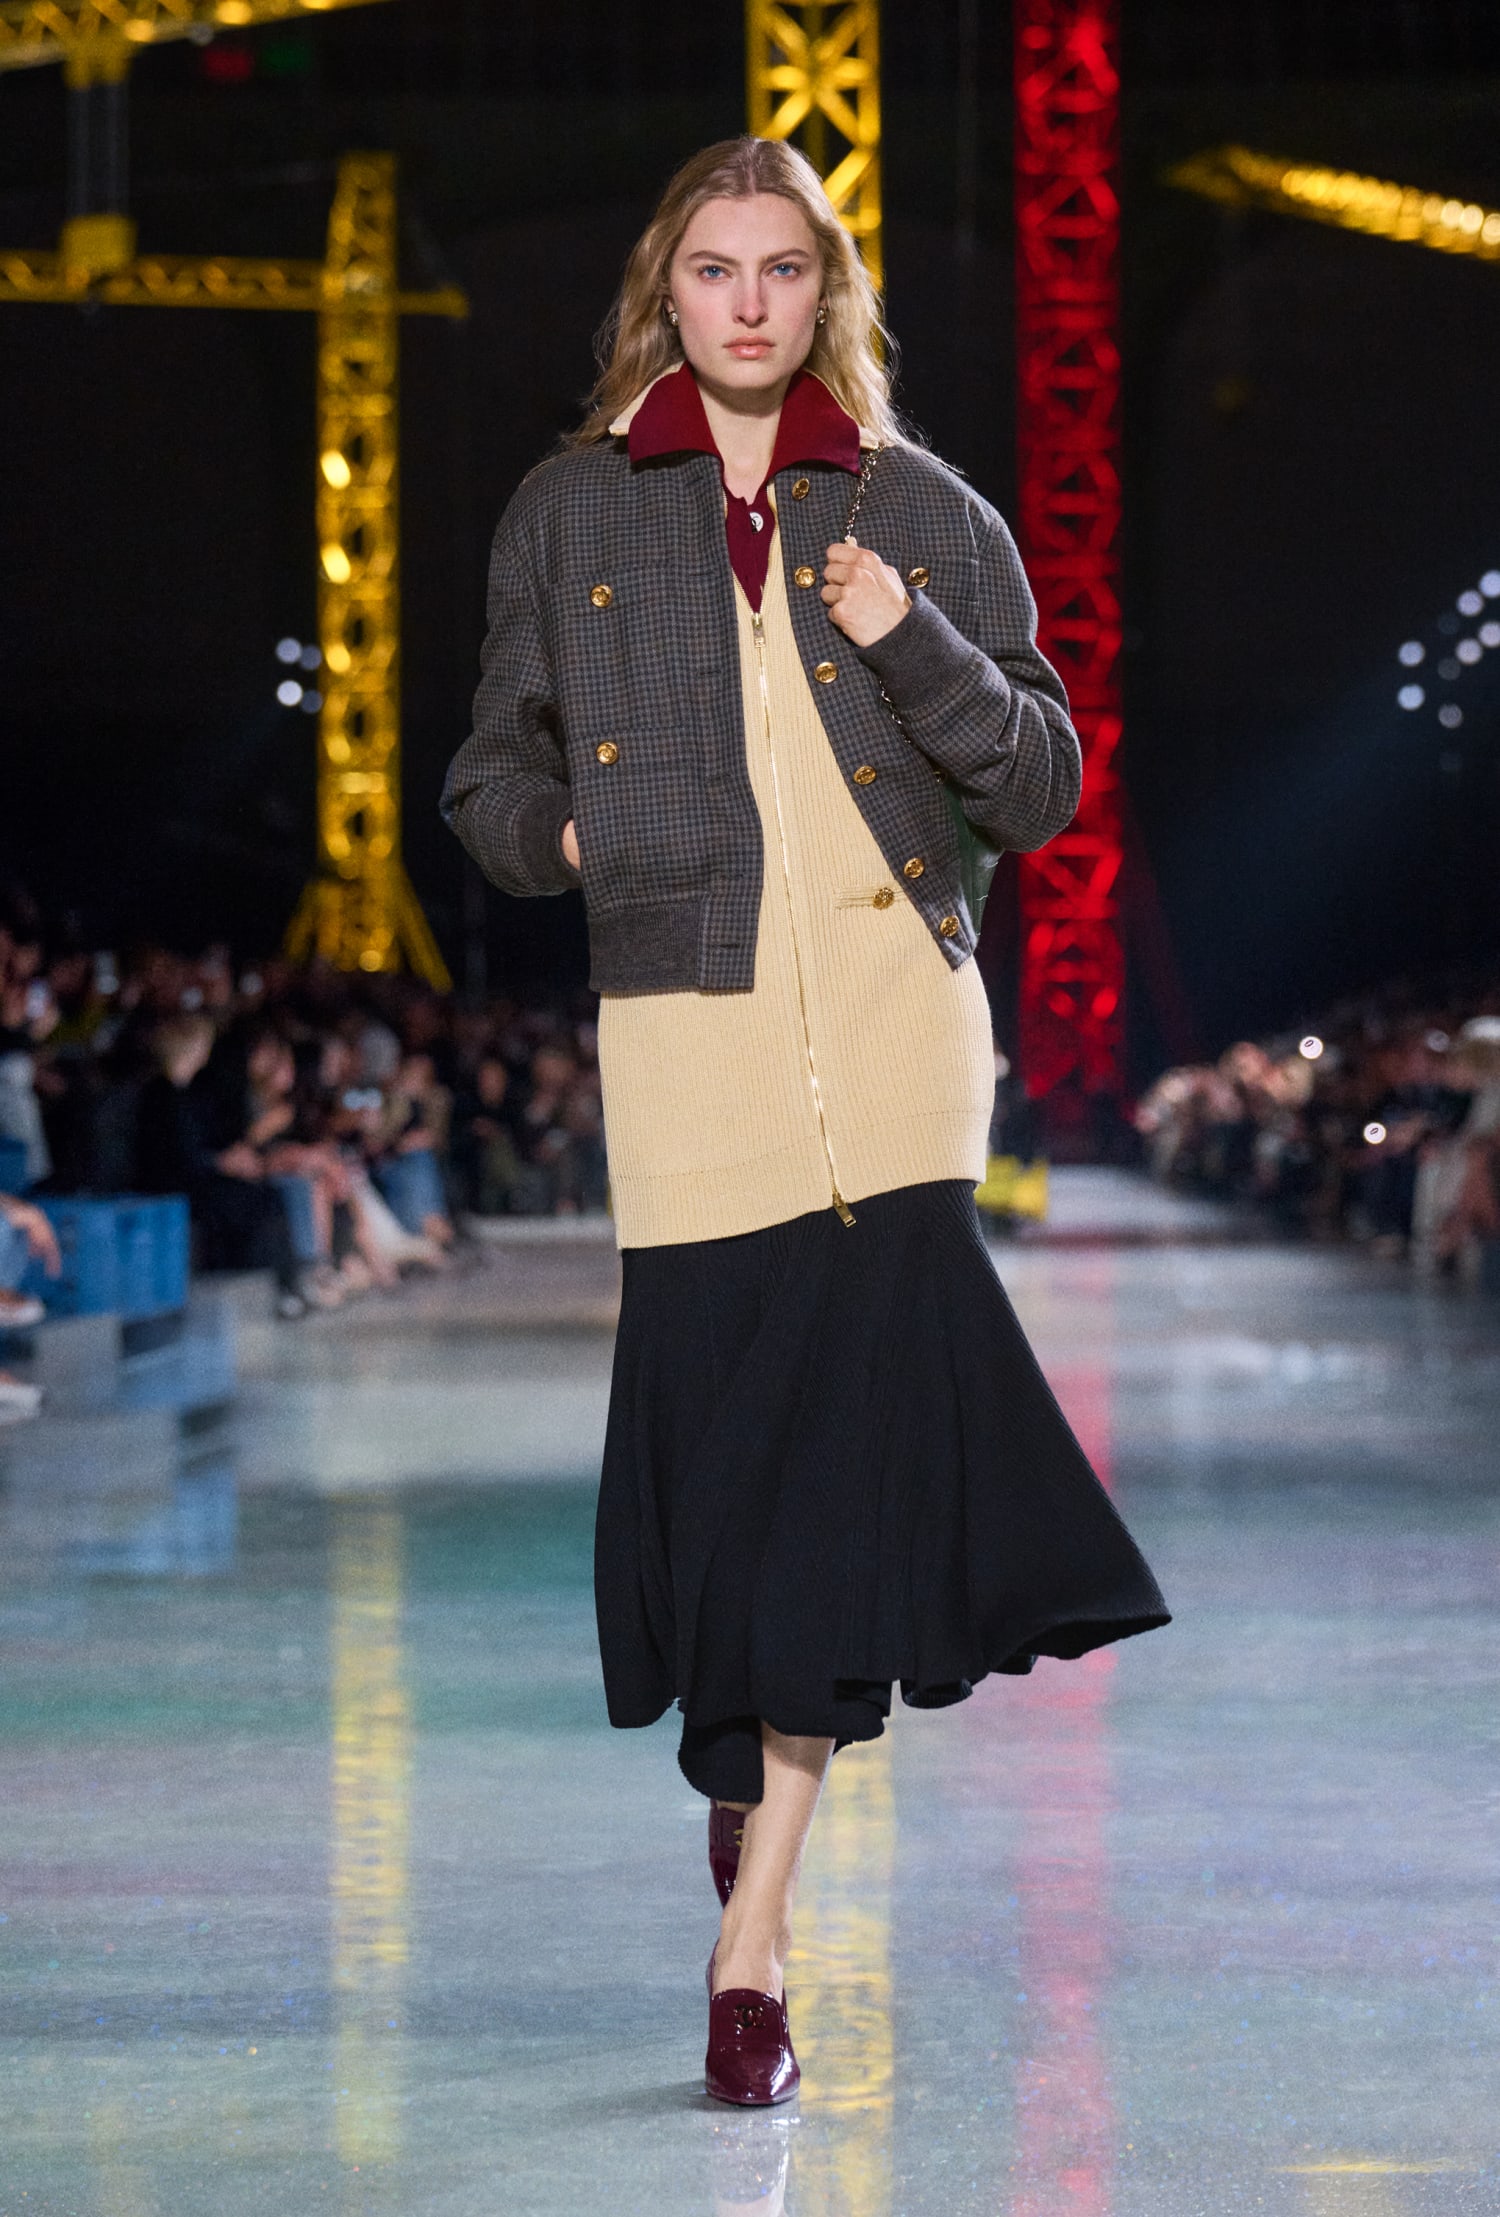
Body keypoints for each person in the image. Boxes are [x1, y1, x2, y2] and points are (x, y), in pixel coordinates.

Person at [442, 135, 1170, 2107]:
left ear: (827, 292)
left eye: (782, 268)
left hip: (901, 1030)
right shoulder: (572, 509)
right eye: (714, 268)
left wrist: (907, 635)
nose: (748, 301)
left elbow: (1040, 787)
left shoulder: (924, 511)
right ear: (664, 293)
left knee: (832, 1504)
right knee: (731, 1491)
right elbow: (486, 780)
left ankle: (752, 1941)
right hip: (691, 1036)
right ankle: (746, 1766)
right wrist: (570, 838)